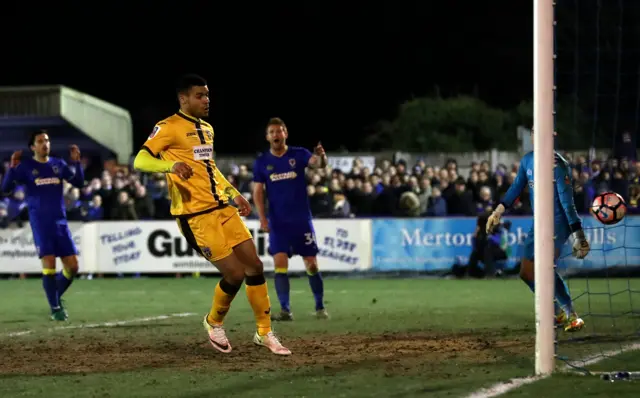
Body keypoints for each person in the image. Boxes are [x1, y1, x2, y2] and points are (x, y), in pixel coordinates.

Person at [133, 74, 290, 356]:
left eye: (207, 95)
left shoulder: (207, 128)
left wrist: (233, 194)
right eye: (200, 96)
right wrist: (170, 166)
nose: (207, 100)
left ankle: (264, 333)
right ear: (183, 99)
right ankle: (213, 321)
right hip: (195, 216)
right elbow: (141, 159)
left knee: (254, 265)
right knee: (234, 273)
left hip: (222, 208)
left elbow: (211, 170)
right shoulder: (167, 127)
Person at [486, 129, 590, 332]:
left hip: (558, 222)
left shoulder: (558, 165)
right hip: (539, 222)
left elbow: (568, 204)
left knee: (544, 267)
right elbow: (516, 188)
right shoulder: (528, 161)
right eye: (533, 132)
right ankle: (556, 311)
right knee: (526, 272)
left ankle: (572, 315)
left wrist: (579, 235)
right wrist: (498, 211)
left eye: (540, 131)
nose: (535, 136)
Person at [1, 130, 84, 321]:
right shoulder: (26, 167)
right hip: (41, 222)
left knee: (73, 267)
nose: (45, 144)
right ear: (33, 147)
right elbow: (5, 189)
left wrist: (77, 162)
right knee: (49, 264)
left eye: (47, 140)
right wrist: (12, 168)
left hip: (60, 222)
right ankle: (55, 308)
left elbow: (78, 182)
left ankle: (55, 297)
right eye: (40, 141)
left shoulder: (58, 164)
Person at [252, 117, 329, 321]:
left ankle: (320, 307)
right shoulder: (262, 163)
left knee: (311, 263)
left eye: (280, 131)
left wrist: (322, 156)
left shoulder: (299, 154)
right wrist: (262, 218)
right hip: (278, 222)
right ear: (267, 137)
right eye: (272, 132)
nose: (276, 135)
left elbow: (318, 164)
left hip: (301, 220)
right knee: (280, 263)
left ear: (285, 133)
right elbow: (258, 192)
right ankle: (285, 310)